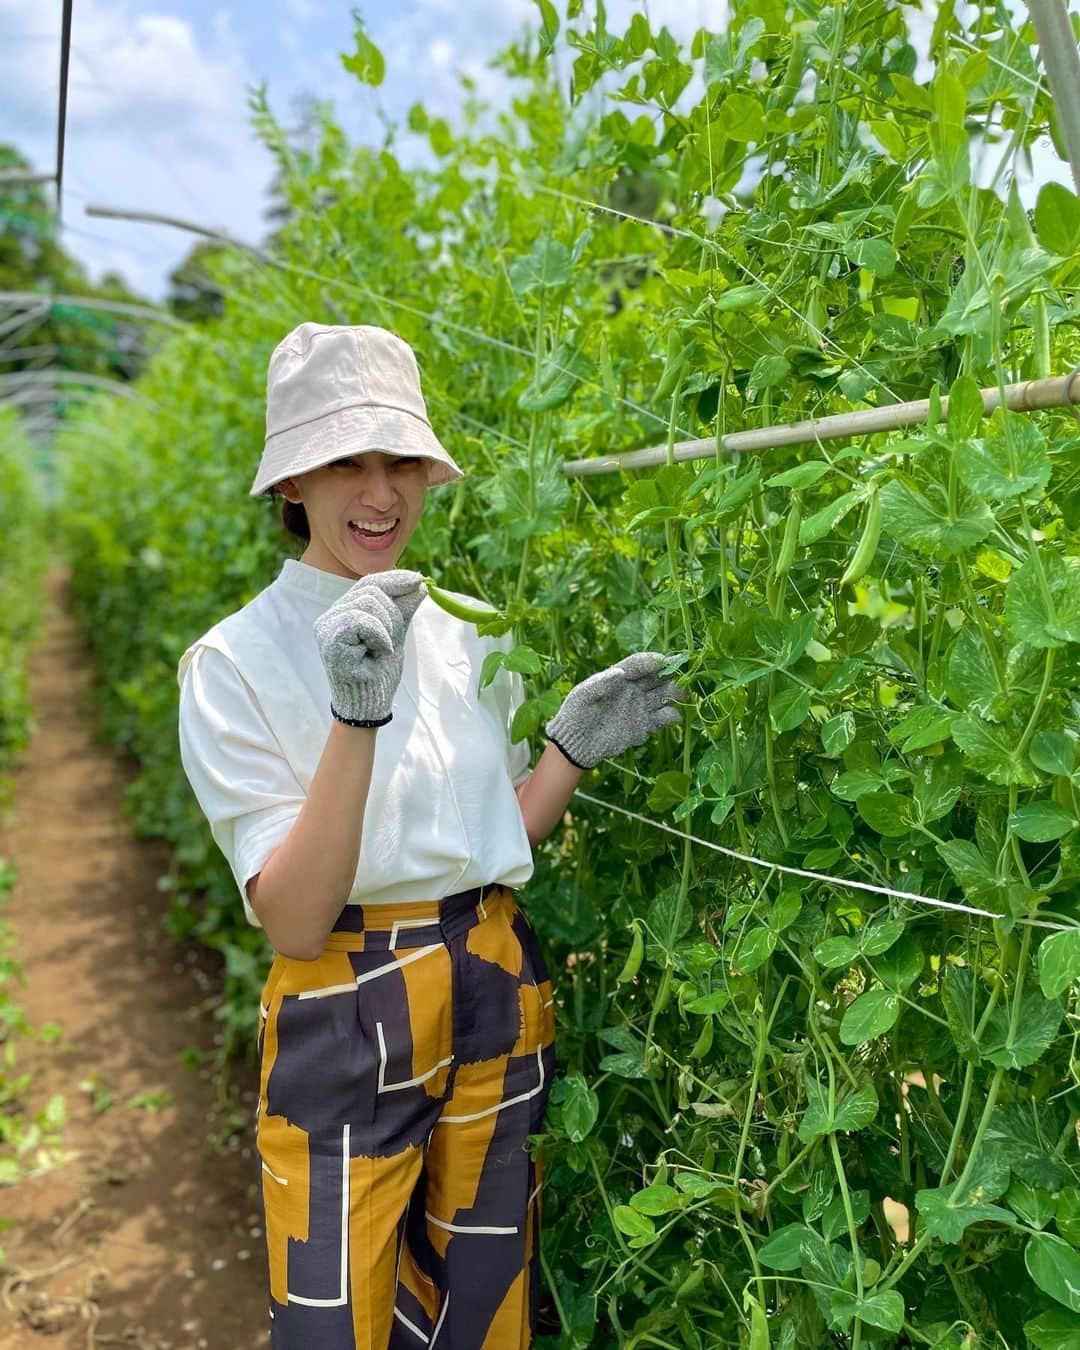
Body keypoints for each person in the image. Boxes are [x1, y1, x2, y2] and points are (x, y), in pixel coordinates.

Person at [175, 322, 687, 1348]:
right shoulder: (232, 662)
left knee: (483, 1297)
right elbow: (294, 916)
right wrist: (354, 714)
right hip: (341, 992)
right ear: (292, 483)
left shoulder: (472, 626)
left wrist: (567, 757)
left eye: (401, 459)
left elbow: (494, 843)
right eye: (346, 462)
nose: (381, 492)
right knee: (336, 1312)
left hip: (490, 972)